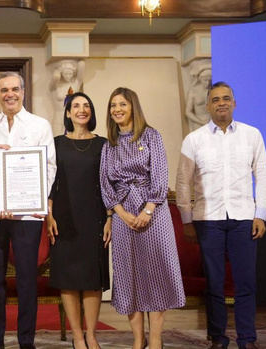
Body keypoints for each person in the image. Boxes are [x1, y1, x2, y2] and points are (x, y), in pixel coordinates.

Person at [176, 82, 266, 349]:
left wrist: (261, 214)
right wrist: (186, 219)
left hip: (243, 218)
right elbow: (183, 182)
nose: (221, 103)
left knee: (245, 282)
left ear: (234, 103)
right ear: (208, 106)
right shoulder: (194, 140)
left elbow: (262, 175)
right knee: (214, 284)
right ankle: (218, 338)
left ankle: (247, 339)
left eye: (226, 98)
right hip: (208, 220)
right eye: (215, 99)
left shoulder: (252, 135)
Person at [99, 87, 185, 349]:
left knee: (156, 275)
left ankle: (156, 340)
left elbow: (160, 175)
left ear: (133, 106)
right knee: (128, 278)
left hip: (154, 214)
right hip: (123, 216)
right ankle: (138, 340)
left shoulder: (151, 136)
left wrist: (147, 211)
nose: (117, 109)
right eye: (113, 105)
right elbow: (105, 183)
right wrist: (122, 214)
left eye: (122, 104)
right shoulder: (108, 145)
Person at [0, 72, 56, 349]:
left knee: (26, 279)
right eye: (3, 90)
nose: (9, 94)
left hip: (26, 215)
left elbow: (49, 167)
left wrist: (35, 201)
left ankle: (26, 341)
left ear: (23, 91)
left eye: (14, 89)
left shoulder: (40, 125)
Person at [46, 92, 110, 349]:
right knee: (68, 278)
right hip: (63, 218)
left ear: (91, 113)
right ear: (68, 113)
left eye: (86, 106)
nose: (82, 110)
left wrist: (110, 218)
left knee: (92, 278)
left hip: (95, 217)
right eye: (76, 106)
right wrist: (49, 215)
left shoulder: (104, 144)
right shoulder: (56, 143)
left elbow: (109, 184)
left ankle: (92, 334)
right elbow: (50, 182)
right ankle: (77, 335)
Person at [49, 60, 84, 132]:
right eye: (66, 74)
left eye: (70, 73)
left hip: (73, 115)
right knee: (57, 138)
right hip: (59, 115)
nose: (68, 76)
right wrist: (58, 69)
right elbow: (55, 77)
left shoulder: (75, 84)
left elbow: (82, 65)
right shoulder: (57, 85)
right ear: (62, 73)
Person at [185, 64, 212, 131]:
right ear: (200, 79)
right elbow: (188, 112)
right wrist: (201, 122)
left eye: (210, 80)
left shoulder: (214, 91)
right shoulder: (194, 91)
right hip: (198, 123)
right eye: (205, 80)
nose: (208, 83)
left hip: (212, 122)